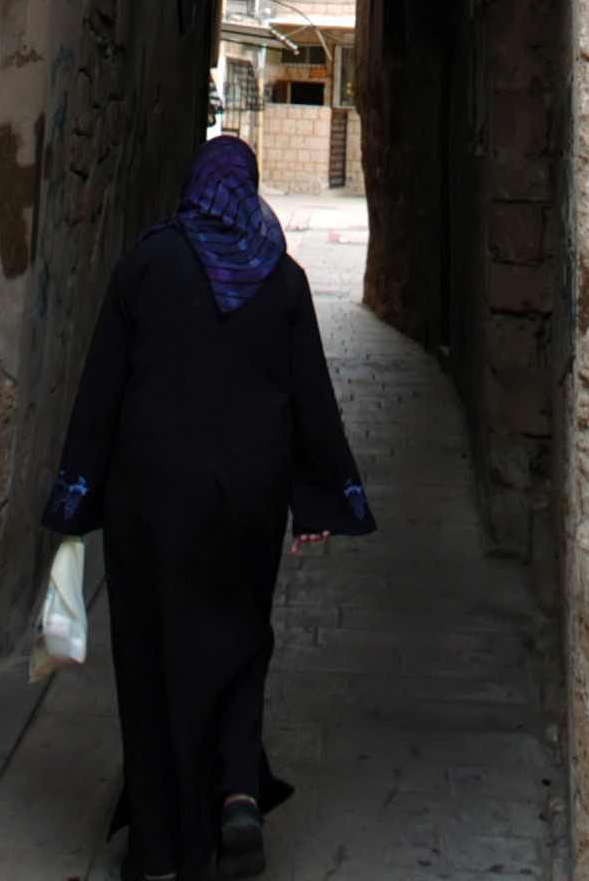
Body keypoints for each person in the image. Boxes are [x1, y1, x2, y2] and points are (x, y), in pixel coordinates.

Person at [42, 135, 375, 881]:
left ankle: (161, 853)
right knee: (240, 638)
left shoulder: (146, 264)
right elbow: (311, 399)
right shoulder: (281, 276)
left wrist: (74, 498)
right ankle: (236, 790)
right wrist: (318, 500)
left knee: (151, 657)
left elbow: (102, 389)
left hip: (151, 500)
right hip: (248, 501)